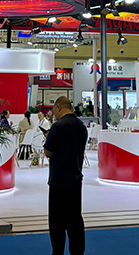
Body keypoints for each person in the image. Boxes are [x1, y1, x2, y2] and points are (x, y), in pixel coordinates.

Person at [44, 96, 88, 255]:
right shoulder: (81, 126)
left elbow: (48, 152)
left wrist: (49, 138)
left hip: (58, 180)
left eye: (54, 110)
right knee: (75, 219)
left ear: (58, 107)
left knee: (57, 222)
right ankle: (78, 252)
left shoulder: (57, 127)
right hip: (75, 179)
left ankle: (58, 252)